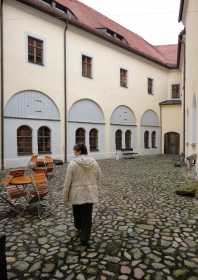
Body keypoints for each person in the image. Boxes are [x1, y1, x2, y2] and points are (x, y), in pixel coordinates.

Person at [63, 143, 101, 246]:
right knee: (87, 215)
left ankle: (78, 227)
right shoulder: (94, 162)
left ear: (79, 151)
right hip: (90, 193)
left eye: (75, 150)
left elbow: (67, 182)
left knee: (77, 212)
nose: (74, 152)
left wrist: (65, 196)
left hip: (76, 194)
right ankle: (85, 237)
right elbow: (98, 175)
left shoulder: (72, 164)